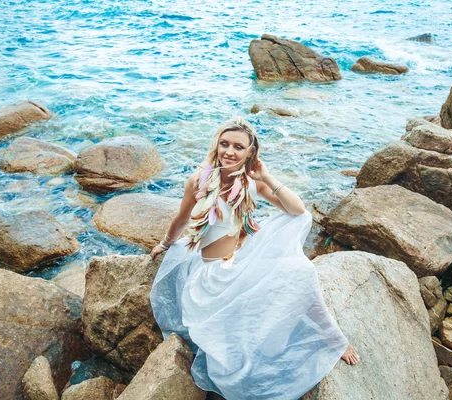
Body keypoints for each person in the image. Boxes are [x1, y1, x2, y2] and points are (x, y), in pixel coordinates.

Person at [149, 117, 359, 400]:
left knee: (301, 270)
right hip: (215, 262)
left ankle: (333, 337)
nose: (229, 152)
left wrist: (266, 176)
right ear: (216, 145)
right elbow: (182, 217)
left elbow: (298, 211)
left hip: (249, 249)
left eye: (238, 147)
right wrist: (165, 244)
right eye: (224, 144)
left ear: (250, 152)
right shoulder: (198, 180)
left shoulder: (252, 183)